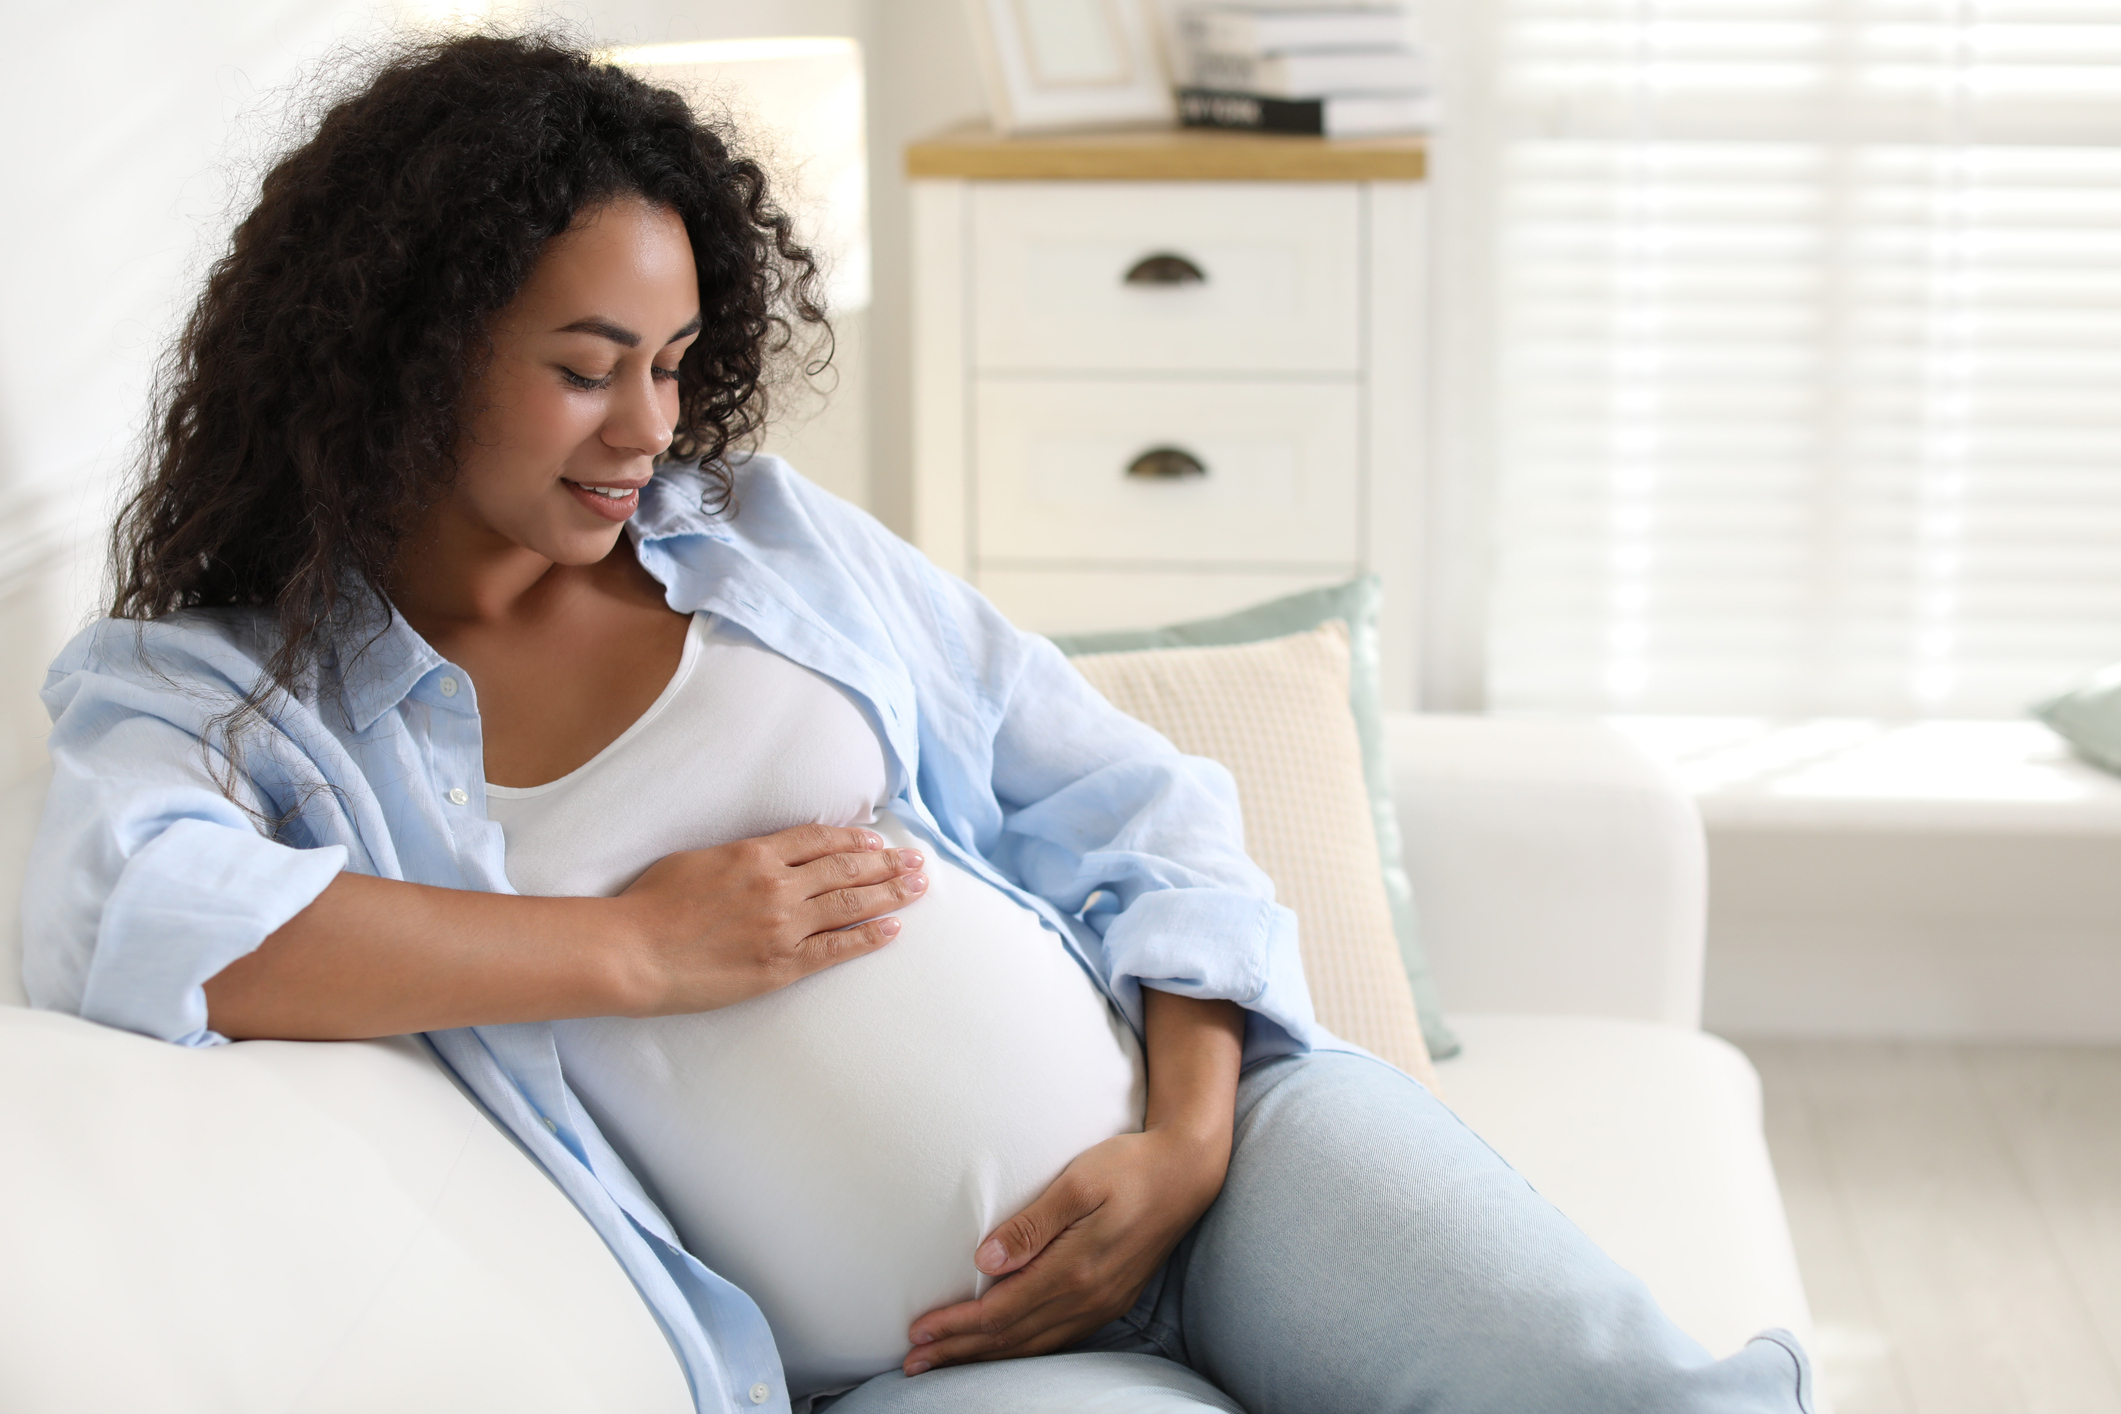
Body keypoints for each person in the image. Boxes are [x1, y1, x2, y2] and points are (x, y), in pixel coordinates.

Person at [22, 32, 1816, 1414]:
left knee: (1633, 1394)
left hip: (1228, 1160)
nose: (645, 425)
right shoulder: (218, 694)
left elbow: (1134, 804)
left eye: (669, 361)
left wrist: (1184, 1134)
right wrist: (631, 946)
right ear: (402, 348)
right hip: (959, 1360)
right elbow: (136, 920)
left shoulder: (755, 540)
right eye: (585, 365)